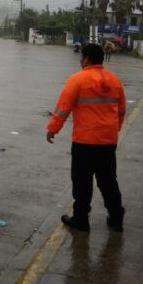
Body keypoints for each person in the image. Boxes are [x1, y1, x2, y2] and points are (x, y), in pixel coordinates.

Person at [46, 43, 126, 232]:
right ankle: (116, 217)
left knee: (82, 182)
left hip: (85, 142)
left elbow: (62, 108)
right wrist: (114, 131)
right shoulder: (115, 81)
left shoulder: (77, 80)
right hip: (107, 142)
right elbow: (121, 111)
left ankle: (81, 219)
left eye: (82, 57)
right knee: (108, 181)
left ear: (88, 59)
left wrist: (52, 129)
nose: (80, 61)